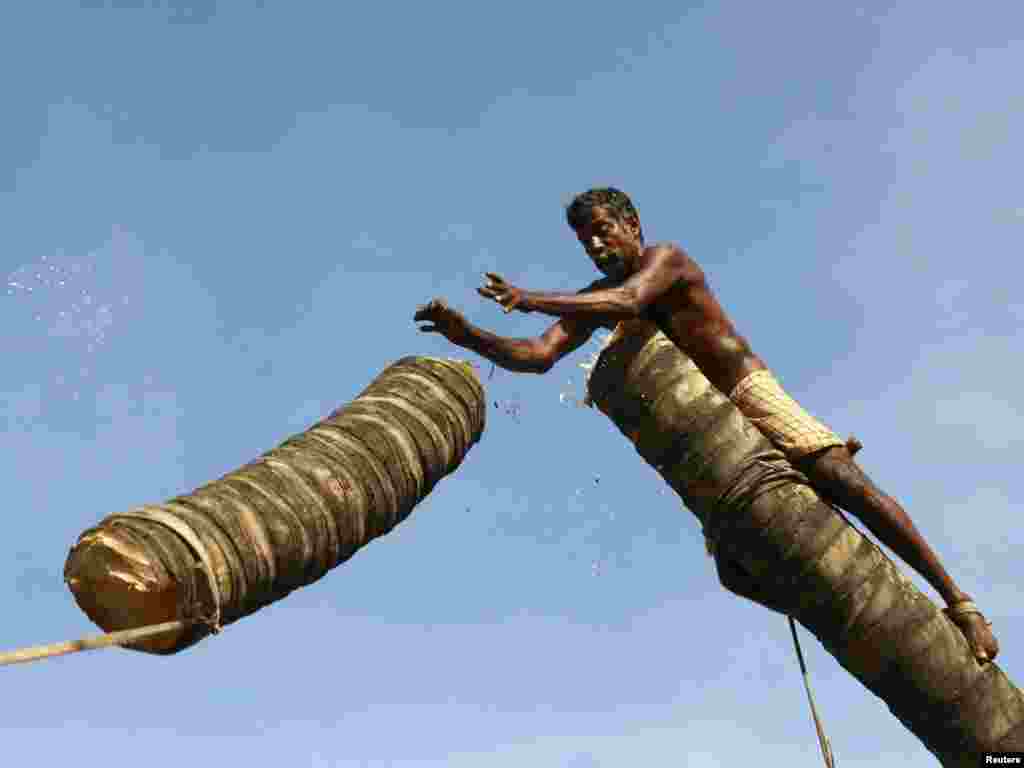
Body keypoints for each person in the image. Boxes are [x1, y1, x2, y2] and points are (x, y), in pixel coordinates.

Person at [414, 186, 998, 663]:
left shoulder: (663, 260)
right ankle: (843, 606)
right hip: (715, 434)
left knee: (850, 487)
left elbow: (627, 303)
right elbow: (540, 356)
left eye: (602, 230)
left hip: (748, 393)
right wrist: (469, 335)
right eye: (584, 239)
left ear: (631, 223)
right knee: (735, 572)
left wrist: (532, 297)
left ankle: (958, 602)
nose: (594, 244)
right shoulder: (595, 294)